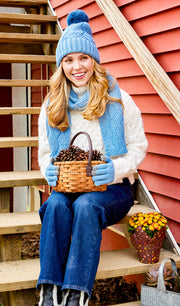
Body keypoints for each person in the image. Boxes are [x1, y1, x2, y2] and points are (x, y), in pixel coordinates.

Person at [37, 9, 148, 306]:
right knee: (55, 205)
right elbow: (45, 153)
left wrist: (116, 169)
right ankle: (49, 292)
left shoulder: (118, 99)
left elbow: (139, 146)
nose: (77, 67)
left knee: (87, 205)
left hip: (112, 189)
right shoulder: (51, 105)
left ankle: (76, 294)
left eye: (83, 58)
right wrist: (48, 169)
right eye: (69, 60)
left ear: (94, 60)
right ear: (61, 65)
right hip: (68, 186)